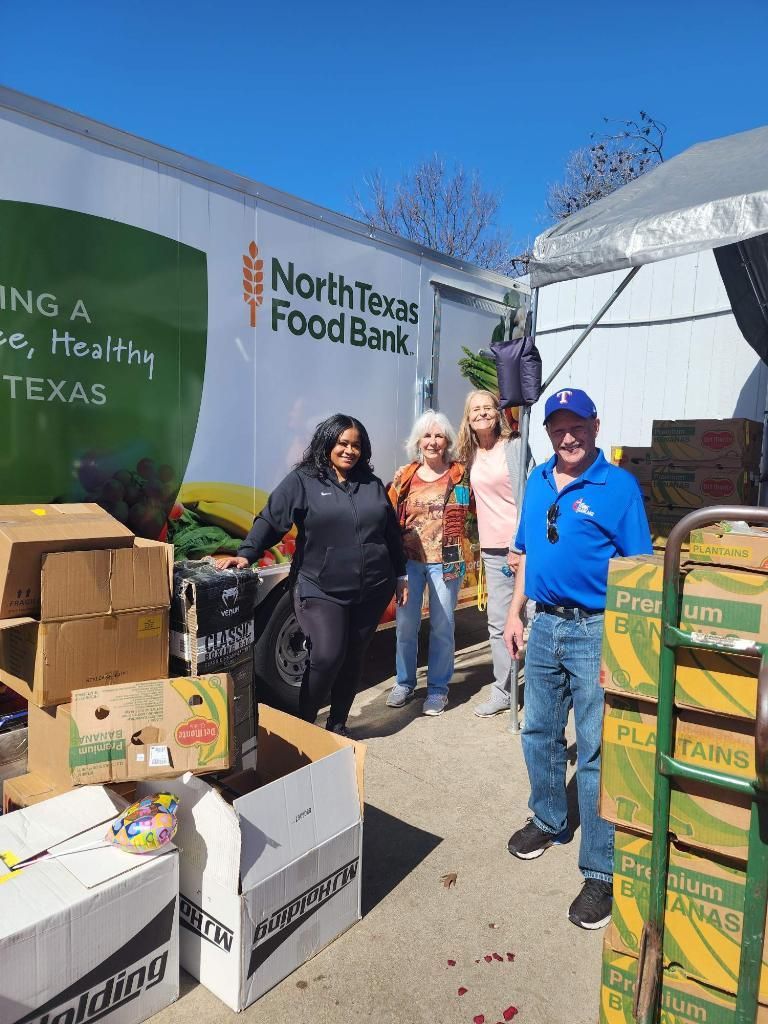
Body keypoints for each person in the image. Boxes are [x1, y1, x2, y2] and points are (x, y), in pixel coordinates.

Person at [502, 388, 652, 930]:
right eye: (558, 427)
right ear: (547, 432)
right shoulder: (538, 479)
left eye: (577, 426)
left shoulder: (619, 487)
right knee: (538, 730)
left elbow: (638, 574)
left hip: (595, 630)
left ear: (594, 425)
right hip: (543, 624)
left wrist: (626, 646)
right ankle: (547, 817)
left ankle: (601, 871)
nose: (568, 436)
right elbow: (525, 553)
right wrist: (516, 613)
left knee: (594, 750)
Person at [215, 413, 407, 737]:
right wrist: (246, 554)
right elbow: (272, 519)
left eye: (356, 445)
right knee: (328, 654)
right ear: (328, 442)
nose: (349, 450)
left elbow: (390, 532)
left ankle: (338, 724)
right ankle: (306, 724)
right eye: (342, 443)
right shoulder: (303, 480)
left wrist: (400, 575)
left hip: (373, 587)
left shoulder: (370, 484)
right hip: (320, 587)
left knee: (354, 656)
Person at [386, 412, 472, 717]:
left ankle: (437, 689)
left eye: (438, 436)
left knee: (442, 626)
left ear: (447, 440)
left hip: (447, 560)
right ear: (418, 441)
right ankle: (405, 683)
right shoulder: (405, 475)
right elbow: (388, 513)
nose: (433, 442)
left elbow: (473, 513)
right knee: (406, 626)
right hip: (409, 562)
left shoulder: (460, 475)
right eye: (427, 436)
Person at [456, 389, 528, 717]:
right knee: (498, 623)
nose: (483, 413)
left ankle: (541, 688)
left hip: (523, 548)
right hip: (492, 550)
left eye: (488, 408)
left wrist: (521, 544)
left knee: (535, 618)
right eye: (476, 410)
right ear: (468, 420)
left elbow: (535, 494)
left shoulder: (514, 446)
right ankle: (504, 690)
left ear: (497, 413)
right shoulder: (469, 454)